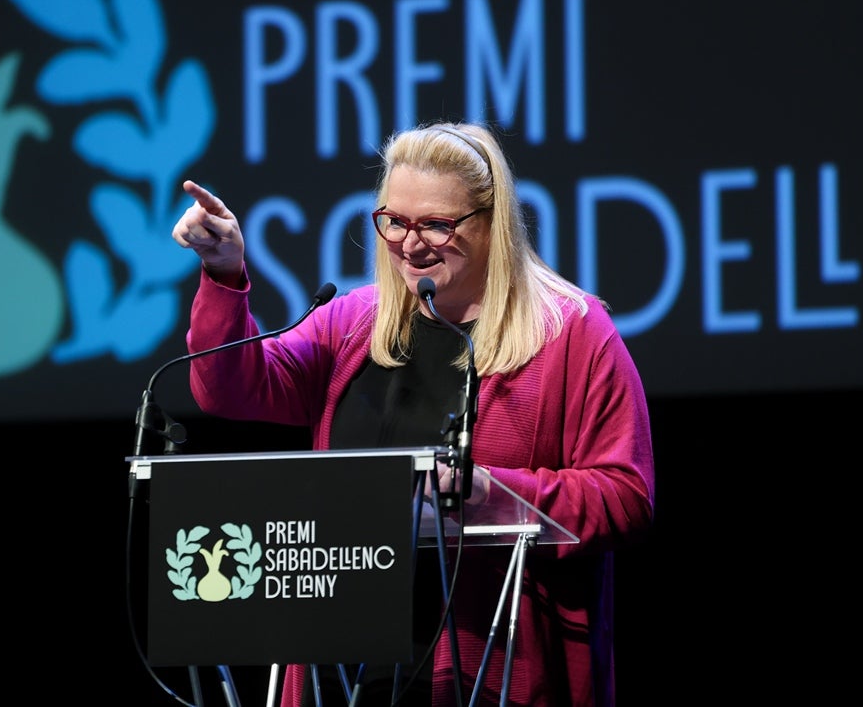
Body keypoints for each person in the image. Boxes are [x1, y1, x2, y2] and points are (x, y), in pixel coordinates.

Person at [171, 120, 655, 707]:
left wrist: (493, 492)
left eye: (435, 225)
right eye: (394, 221)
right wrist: (224, 271)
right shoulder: (351, 324)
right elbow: (229, 388)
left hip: (494, 675)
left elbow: (625, 495)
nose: (409, 242)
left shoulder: (570, 334)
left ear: (490, 221)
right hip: (343, 674)